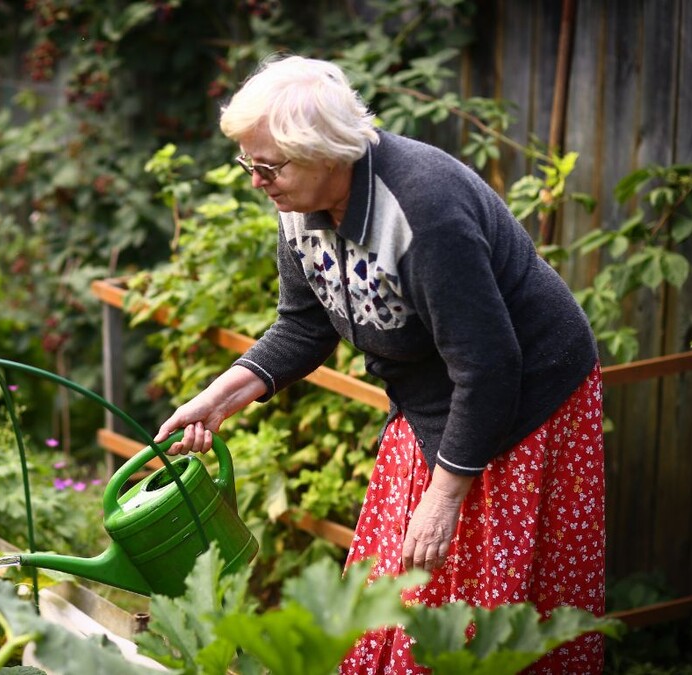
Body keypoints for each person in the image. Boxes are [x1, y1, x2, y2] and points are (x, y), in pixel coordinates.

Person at [153, 54, 605, 674]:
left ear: (326, 151)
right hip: (428, 400)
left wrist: (445, 495)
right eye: (248, 162)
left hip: (526, 398)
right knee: (394, 583)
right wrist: (218, 398)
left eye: (268, 165)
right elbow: (303, 325)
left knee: (472, 600)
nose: (256, 180)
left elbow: (490, 366)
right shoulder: (298, 203)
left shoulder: (424, 212)